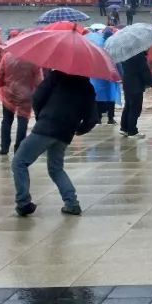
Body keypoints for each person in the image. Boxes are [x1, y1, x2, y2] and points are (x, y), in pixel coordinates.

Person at [11, 70, 97, 216]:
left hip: (46, 127)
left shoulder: (56, 76)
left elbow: (37, 97)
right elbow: (92, 118)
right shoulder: (88, 87)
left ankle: (23, 202)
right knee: (56, 169)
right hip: (65, 133)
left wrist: (41, 116)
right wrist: (79, 129)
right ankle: (72, 203)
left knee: (19, 162)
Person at [0, 53, 42, 155]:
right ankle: (19, 147)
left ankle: (4, 147)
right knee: (23, 120)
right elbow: (39, 79)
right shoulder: (33, 58)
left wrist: (1, 86)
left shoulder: (6, 56)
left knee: (7, 120)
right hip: (25, 94)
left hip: (9, 92)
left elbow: (0, 74)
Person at [118, 49, 152, 138]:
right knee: (135, 107)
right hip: (136, 85)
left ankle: (124, 128)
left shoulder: (124, 53)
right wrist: (151, 82)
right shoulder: (138, 55)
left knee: (128, 105)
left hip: (127, 82)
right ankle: (132, 131)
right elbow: (144, 70)